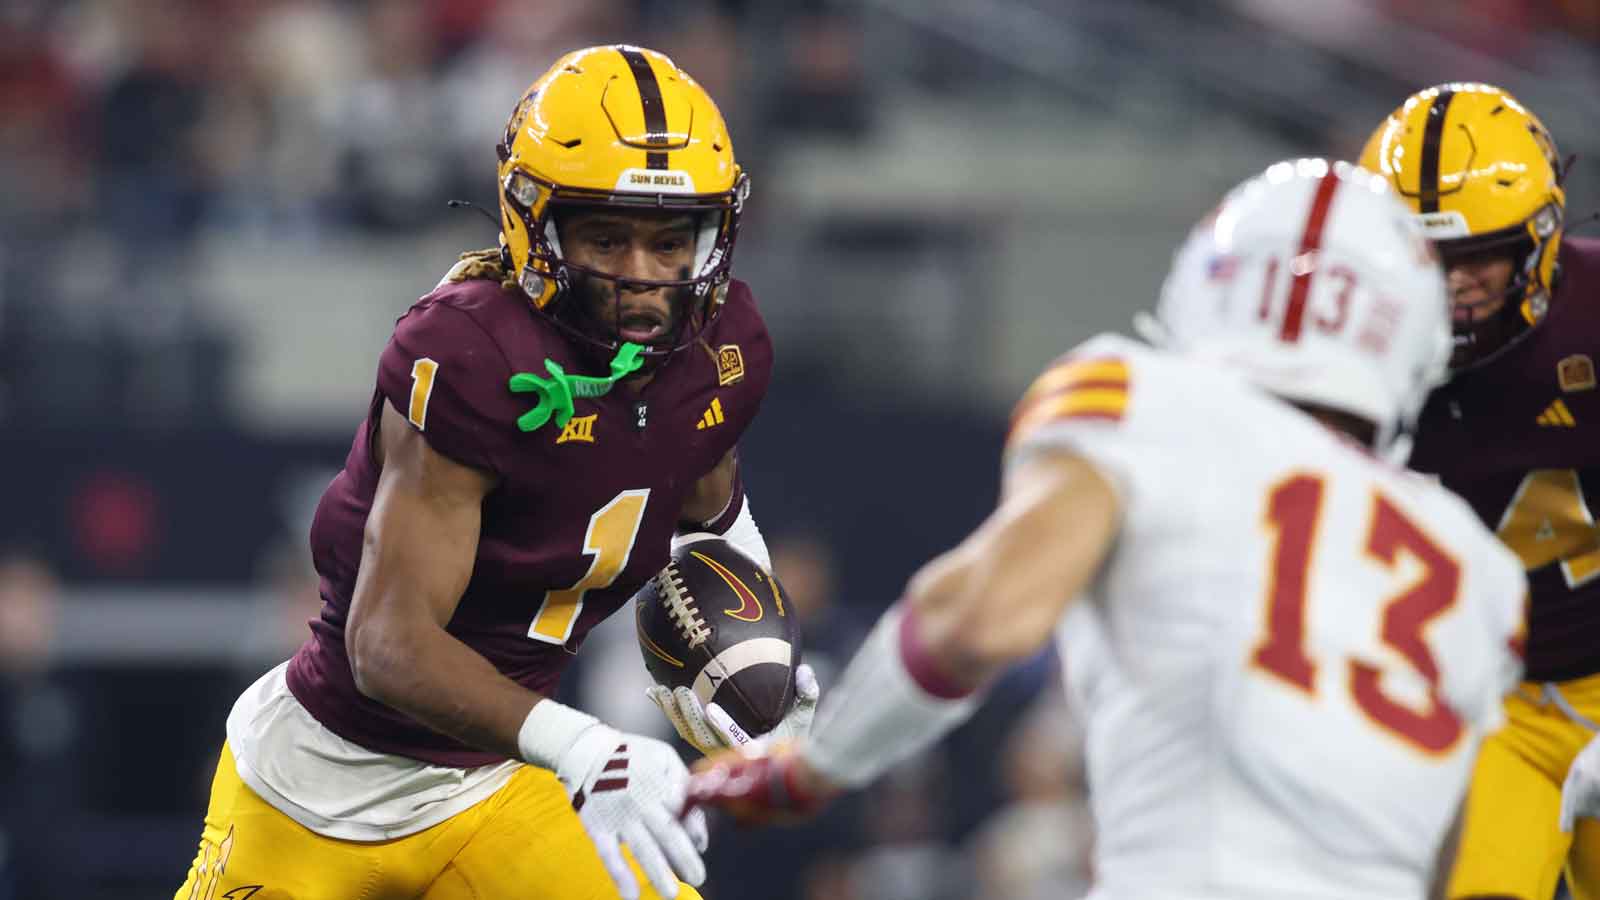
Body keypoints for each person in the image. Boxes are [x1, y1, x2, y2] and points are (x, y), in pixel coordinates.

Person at [689, 159, 1529, 899]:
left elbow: (978, 621)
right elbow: (1455, 853)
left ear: (1209, 287)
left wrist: (814, 768)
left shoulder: (1144, 401)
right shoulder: (1478, 565)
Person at [174, 45, 813, 900]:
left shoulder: (722, 345)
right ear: (534, 223)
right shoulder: (474, 352)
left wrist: (755, 658)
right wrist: (588, 748)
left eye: (670, 242)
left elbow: (708, 504)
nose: (642, 275)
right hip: (319, 788)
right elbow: (387, 645)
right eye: (606, 236)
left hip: (501, 782)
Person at [1357, 82, 1600, 900]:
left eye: (1476, 256)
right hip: (1496, 707)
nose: (1450, 284)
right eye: (1423, 253)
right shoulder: (1353, 348)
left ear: (1540, 239)